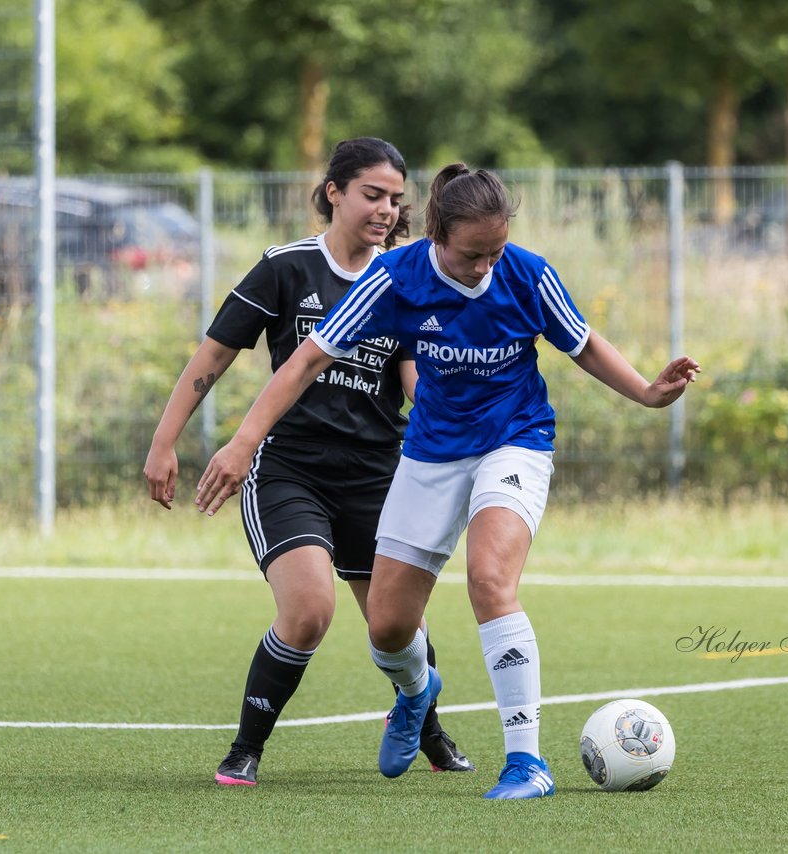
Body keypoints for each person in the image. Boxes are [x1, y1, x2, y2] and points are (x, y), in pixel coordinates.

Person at [194, 163, 701, 799]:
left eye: (496, 250)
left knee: (489, 579)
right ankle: (416, 692)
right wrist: (243, 442)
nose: (485, 266)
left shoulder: (528, 274)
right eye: (471, 254)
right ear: (436, 234)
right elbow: (307, 360)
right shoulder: (392, 278)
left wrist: (649, 394)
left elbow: (584, 345)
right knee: (387, 627)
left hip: (516, 441)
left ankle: (526, 763)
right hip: (430, 455)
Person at [143, 138, 473, 787]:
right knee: (309, 611)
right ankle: (246, 748)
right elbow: (212, 357)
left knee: (398, 624)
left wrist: (459, 423)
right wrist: (164, 442)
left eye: (395, 200)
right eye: (372, 195)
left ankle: (424, 724)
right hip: (290, 471)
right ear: (334, 192)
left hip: (380, 477)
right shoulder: (286, 268)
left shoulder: (403, 279)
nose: (384, 209)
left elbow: (412, 380)